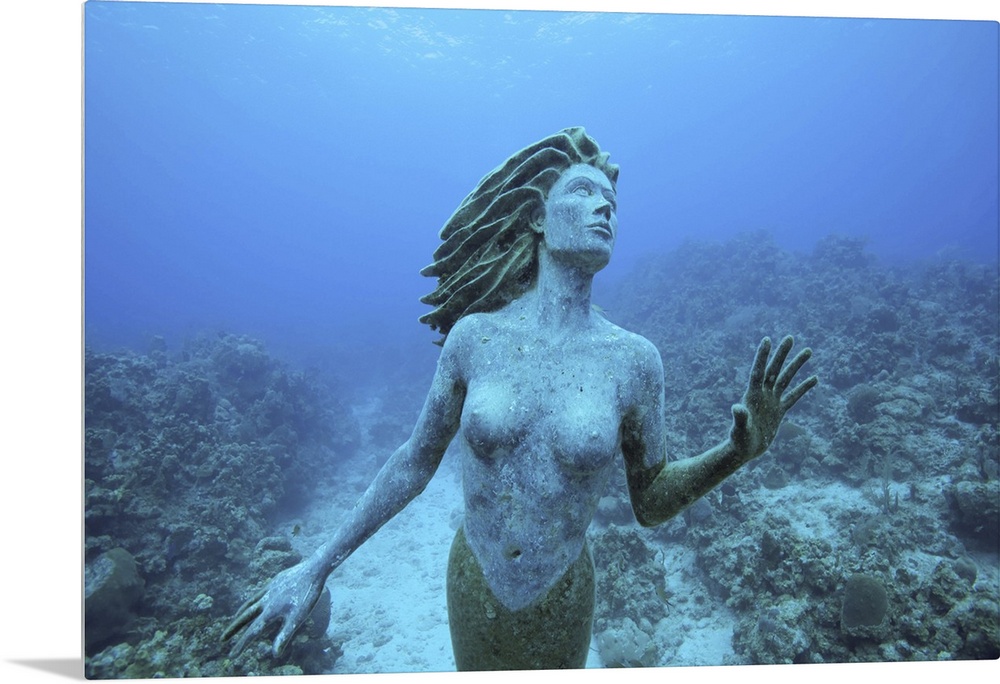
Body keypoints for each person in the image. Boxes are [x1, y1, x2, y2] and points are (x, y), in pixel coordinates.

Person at [222, 127, 818, 670]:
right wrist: (318, 563)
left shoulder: (635, 361)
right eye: (583, 192)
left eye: (611, 201)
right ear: (538, 216)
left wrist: (737, 452)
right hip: (473, 582)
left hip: (562, 597)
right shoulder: (475, 339)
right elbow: (414, 461)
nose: (604, 206)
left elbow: (651, 500)